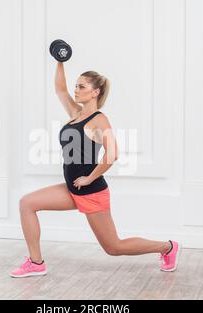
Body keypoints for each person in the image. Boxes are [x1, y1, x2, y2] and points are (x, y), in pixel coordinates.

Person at [10, 62, 181, 278]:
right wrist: (60, 60)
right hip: (73, 189)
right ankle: (36, 263)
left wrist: (90, 178)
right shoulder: (75, 113)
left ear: (95, 92)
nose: (76, 90)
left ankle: (167, 247)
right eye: (76, 86)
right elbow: (60, 89)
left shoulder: (100, 120)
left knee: (114, 247)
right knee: (27, 203)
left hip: (92, 192)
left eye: (82, 87)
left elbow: (113, 154)